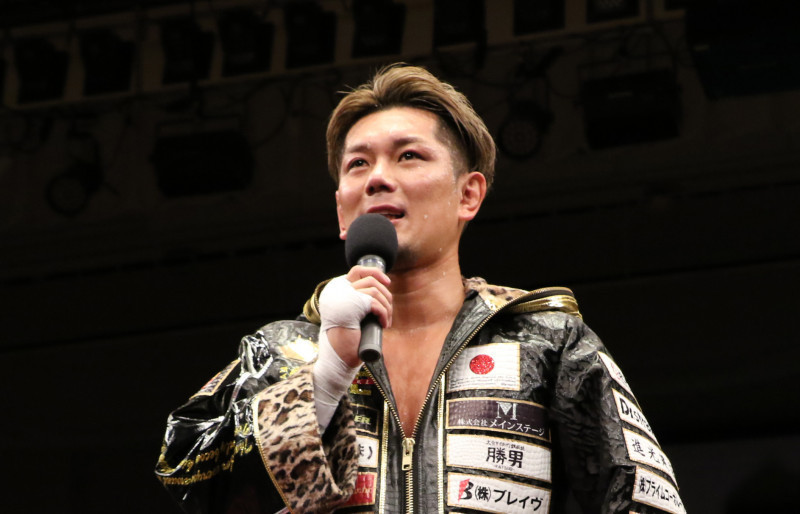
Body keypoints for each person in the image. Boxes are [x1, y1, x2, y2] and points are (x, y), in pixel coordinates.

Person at [155, 63, 684, 514]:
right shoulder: (280, 352)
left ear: (468, 194)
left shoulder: (549, 342)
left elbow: (643, 501)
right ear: (341, 210)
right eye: (358, 163)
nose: (377, 178)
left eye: (408, 156)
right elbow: (190, 485)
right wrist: (326, 376)